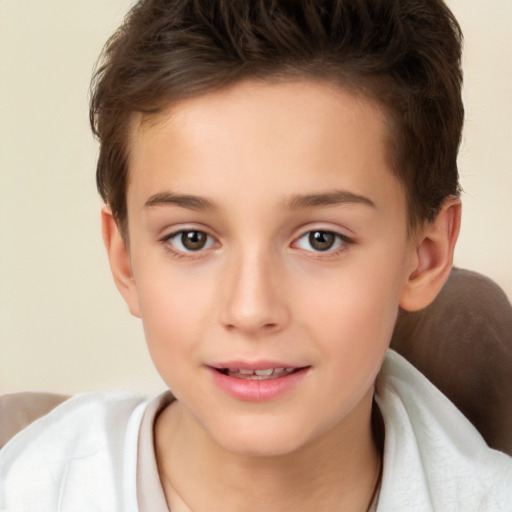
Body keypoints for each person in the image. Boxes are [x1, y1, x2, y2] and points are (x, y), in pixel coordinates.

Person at [1, 0, 511, 510]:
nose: (250, 310)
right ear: (125, 258)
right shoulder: (28, 488)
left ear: (424, 256)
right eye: (192, 239)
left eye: (320, 239)